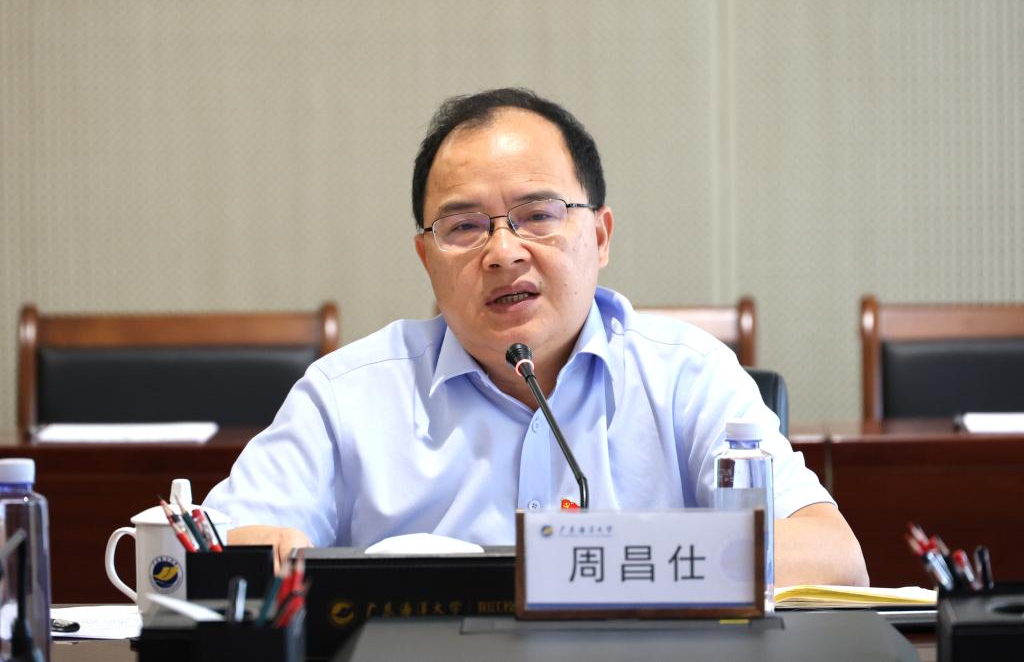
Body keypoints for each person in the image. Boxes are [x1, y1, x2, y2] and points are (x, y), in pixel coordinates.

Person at [205, 88, 868, 586]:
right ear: (427, 259)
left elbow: (834, 558)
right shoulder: (347, 395)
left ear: (599, 236)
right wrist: (262, 547)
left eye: (537, 216)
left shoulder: (686, 375)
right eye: (464, 227)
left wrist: (598, 564)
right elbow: (214, 548)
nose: (503, 252)